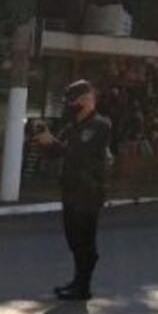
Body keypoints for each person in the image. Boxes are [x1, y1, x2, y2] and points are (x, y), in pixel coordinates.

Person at [34, 80, 112, 301]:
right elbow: (57, 153)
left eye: (73, 100)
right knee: (73, 238)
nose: (70, 105)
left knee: (85, 240)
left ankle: (83, 286)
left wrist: (55, 143)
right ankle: (77, 280)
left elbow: (80, 154)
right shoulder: (73, 125)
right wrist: (43, 142)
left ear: (87, 99)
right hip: (71, 189)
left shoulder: (99, 125)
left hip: (88, 191)